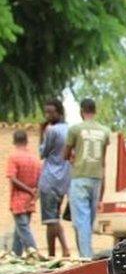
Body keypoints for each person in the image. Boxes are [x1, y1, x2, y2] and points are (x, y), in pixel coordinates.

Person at [64, 99, 109, 258]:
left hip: (80, 176)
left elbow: (65, 154)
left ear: (81, 111)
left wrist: (72, 157)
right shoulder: (104, 131)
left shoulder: (75, 129)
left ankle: (86, 256)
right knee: (88, 219)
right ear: (95, 111)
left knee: (81, 220)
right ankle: (84, 252)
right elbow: (103, 160)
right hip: (96, 178)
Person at [38, 100, 71, 257]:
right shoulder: (70, 129)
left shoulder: (51, 131)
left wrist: (41, 132)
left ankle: (63, 249)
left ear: (59, 112)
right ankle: (53, 253)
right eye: (46, 112)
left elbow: (42, 153)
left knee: (50, 220)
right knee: (53, 218)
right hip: (64, 179)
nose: (48, 115)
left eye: (51, 112)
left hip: (50, 178)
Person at [6, 130, 41, 256]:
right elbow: (40, 181)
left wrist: (28, 190)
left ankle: (34, 252)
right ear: (26, 141)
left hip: (18, 199)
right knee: (19, 230)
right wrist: (34, 194)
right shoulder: (34, 159)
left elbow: (13, 178)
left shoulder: (13, 157)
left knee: (23, 229)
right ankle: (16, 254)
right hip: (30, 200)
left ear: (14, 141)